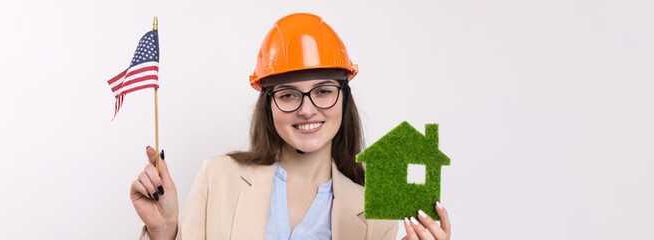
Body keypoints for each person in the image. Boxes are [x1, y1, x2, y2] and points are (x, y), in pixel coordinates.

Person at [129, 13, 453, 240]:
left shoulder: (373, 213)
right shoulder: (218, 178)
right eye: (288, 95)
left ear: (344, 98)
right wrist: (163, 231)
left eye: (324, 90)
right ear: (268, 105)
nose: (307, 109)